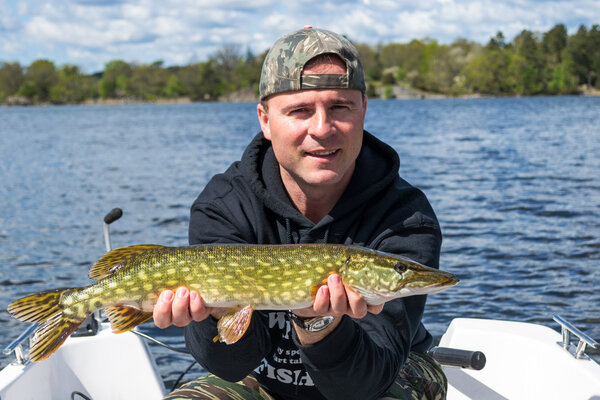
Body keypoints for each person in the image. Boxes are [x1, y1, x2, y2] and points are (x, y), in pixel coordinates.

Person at [153, 27, 447, 400]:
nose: (322, 129)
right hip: (262, 375)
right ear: (265, 120)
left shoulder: (405, 217)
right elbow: (231, 366)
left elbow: (365, 383)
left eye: (340, 106)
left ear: (364, 110)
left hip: (387, 372)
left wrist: (319, 323)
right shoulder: (225, 204)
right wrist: (212, 315)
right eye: (299, 111)